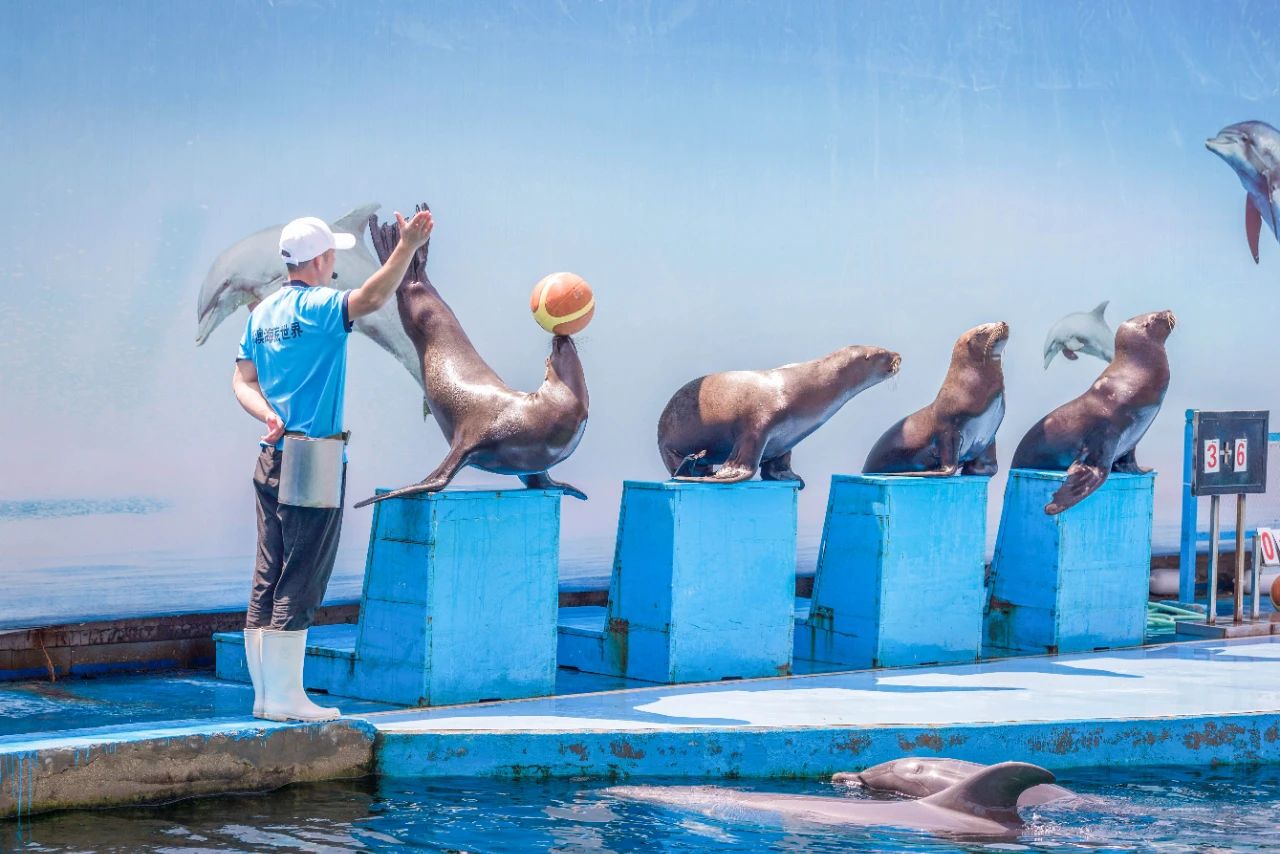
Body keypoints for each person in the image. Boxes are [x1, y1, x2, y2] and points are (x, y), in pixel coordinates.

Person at [232, 209, 433, 721]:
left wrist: (270, 416)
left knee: (268, 574)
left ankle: (264, 698)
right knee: (302, 576)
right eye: (333, 256)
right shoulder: (321, 307)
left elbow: (243, 381)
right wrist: (406, 246)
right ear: (320, 260)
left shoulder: (261, 313)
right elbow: (369, 299)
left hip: (271, 458)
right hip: (315, 459)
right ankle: (287, 699)